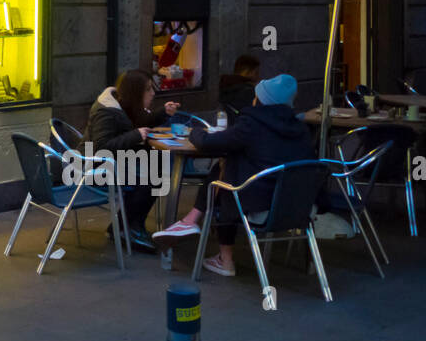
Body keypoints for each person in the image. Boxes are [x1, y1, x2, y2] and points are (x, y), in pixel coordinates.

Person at [153, 73, 315, 276]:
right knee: (227, 167)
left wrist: (194, 132)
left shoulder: (252, 124)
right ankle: (190, 222)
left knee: (225, 180)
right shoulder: (301, 129)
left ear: (261, 100)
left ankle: (222, 256)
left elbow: (208, 143)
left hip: (259, 204)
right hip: (298, 205)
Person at [87, 69, 180, 253]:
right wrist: (135, 135)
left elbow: (140, 120)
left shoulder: (124, 105)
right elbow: (101, 148)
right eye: (148, 89)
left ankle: (126, 226)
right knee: (153, 176)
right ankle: (128, 227)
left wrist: (163, 113)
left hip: (117, 160)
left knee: (157, 166)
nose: (153, 93)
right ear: (135, 92)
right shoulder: (106, 111)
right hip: (96, 166)